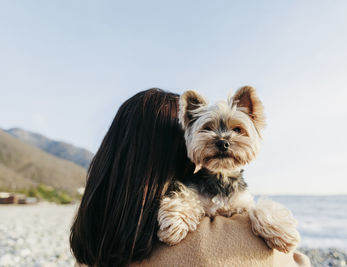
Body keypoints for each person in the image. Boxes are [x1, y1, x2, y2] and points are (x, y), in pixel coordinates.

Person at [70, 88, 310, 267]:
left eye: (237, 130)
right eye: (207, 129)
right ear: (180, 146)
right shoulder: (227, 244)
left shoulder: (92, 236)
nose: (224, 139)